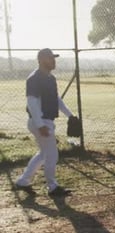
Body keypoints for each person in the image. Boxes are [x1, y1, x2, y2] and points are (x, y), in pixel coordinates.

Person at [14, 48, 75, 197]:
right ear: (41, 60)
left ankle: (23, 180)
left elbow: (56, 99)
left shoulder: (50, 78)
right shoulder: (34, 78)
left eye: (53, 58)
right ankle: (52, 187)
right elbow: (32, 102)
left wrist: (70, 115)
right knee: (52, 154)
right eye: (50, 58)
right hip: (40, 121)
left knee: (43, 153)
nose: (53, 61)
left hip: (44, 121)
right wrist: (40, 124)